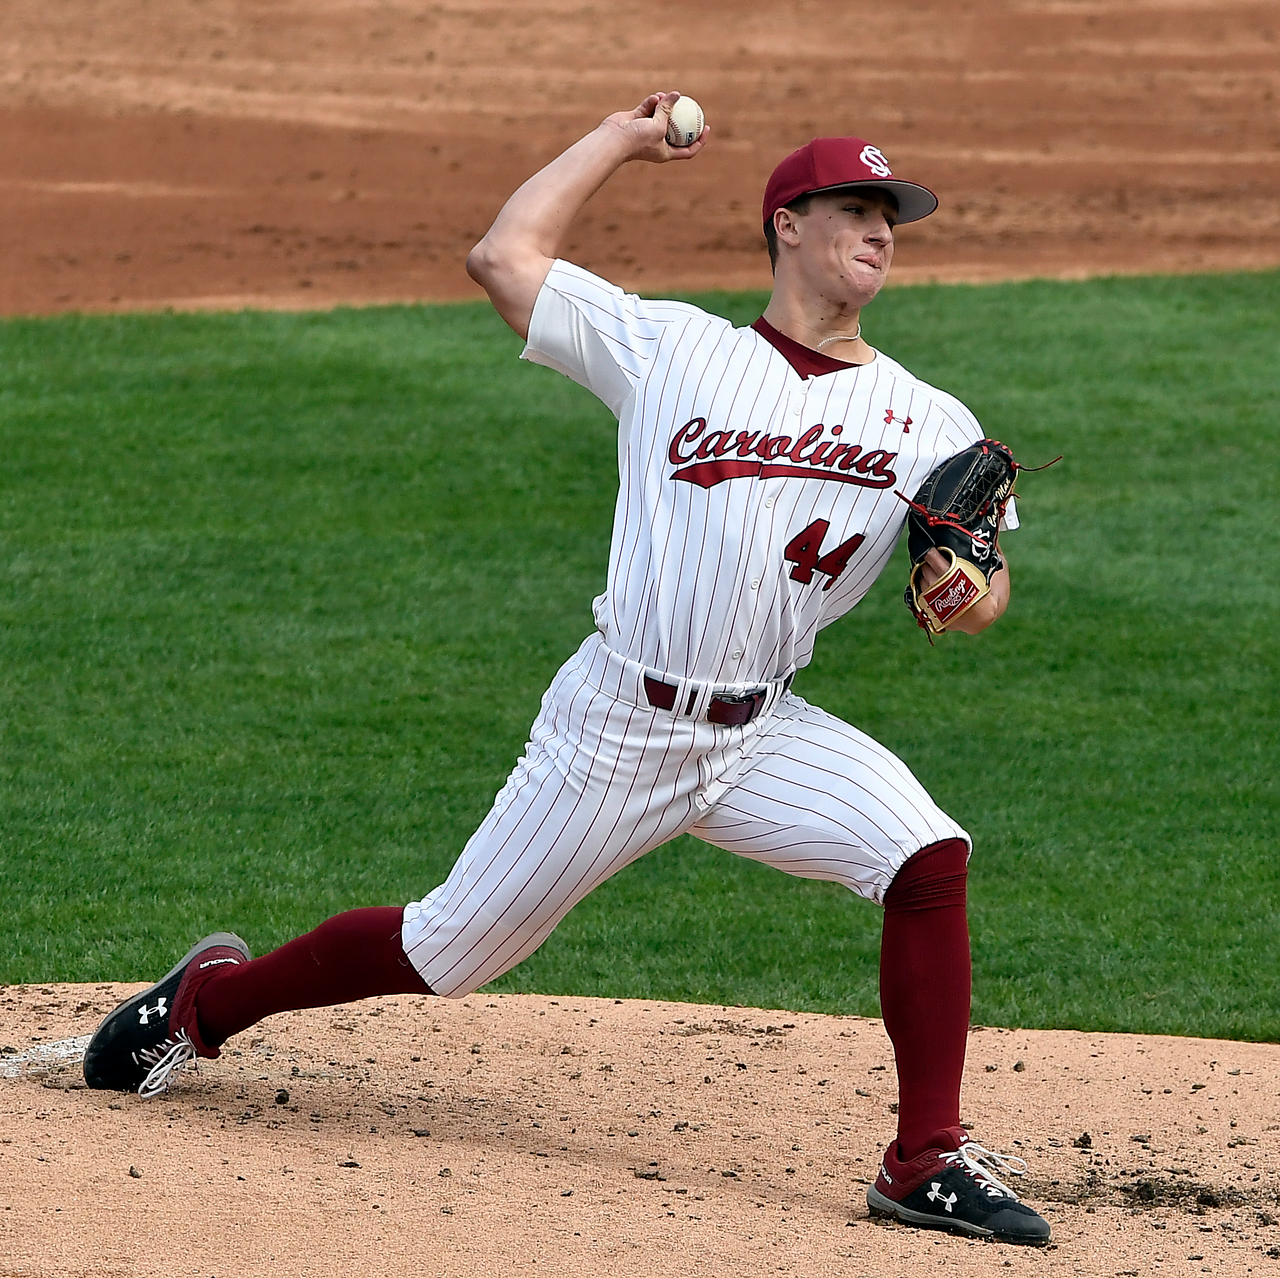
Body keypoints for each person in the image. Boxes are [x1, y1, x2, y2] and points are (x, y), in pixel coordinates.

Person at [84, 92, 1048, 1245]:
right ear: (785, 225)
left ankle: (922, 1159)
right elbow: (502, 258)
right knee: (446, 948)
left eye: (888, 215)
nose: (878, 230)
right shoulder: (669, 347)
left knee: (925, 854)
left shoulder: (929, 418)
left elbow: (981, 585)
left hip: (757, 735)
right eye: (852, 207)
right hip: (617, 727)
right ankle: (201, 1007)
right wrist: (618, 140)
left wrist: (967, 593)